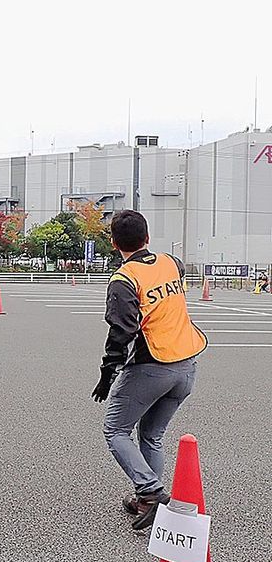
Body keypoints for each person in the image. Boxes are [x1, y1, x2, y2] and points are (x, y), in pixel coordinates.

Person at [92, 210, 207, 530]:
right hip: (186, 366)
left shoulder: (124, 279)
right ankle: (146, 501)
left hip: (152, 366)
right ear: (147, 237)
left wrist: (108, 371)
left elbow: (121, 331)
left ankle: (152, 491)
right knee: (152, 435)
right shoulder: (171, 263)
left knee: (116, 430)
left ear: (113, 242)